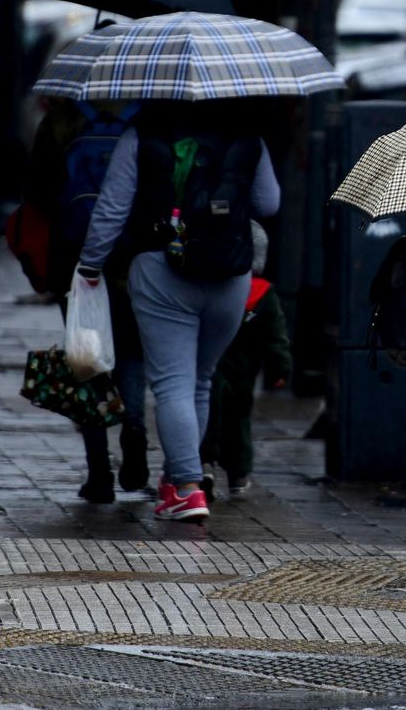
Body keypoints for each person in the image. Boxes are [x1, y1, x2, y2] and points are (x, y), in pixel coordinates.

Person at [77, 101, 280, 522]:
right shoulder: (248, 136)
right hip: (230, 271)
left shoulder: (143, 133)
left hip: (160, 267)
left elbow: (113, 207)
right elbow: (268, 203)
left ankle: (187, 487)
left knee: (172, 382)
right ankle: (178, 479)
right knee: (200, 379)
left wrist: (90, 265)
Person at [22, 98, 149, 503]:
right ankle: (135, 430)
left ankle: (99, 473)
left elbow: (38, 189)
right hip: (133, 258)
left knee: (85, 357)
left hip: (75, 260)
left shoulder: (63, 116)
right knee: (131, 352)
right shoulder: (148, 113)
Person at [200, 221, 291, 499]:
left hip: (211, 364)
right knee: (238, 420)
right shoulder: (263, 294)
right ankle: (238, 473)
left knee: (208, 412)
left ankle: (204, 463)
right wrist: (280, 369)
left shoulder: (213, 287)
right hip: (244, 371)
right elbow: (275, 336)